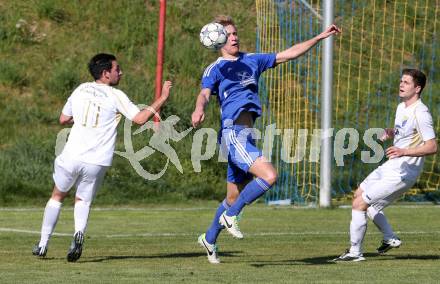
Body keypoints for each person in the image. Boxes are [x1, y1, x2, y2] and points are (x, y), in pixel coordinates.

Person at [192, 15, 341, 264]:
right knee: (269, 176)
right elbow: (204, 94)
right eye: (228, 34)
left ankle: (209, 238)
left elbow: (289, 54)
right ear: (217, 40)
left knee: (231, 197)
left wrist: (318, 37)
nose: (234, 37)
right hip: (232, 133)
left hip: (246, 135)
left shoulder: (252, 60)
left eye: (236, 32)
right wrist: (199, 109)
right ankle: (232, 216)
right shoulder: (215, 69)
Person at [32, 53, 172, 262]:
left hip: (72, 154)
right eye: (117, 69)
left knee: (57, 196)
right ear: (106, 74)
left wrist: (82, 120)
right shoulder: (115, 95)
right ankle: (78, 233)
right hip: (97, 160)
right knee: (83, 200)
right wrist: (162, 97)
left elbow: (63, 119)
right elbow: (140, 119)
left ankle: (43, 245)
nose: (121, 72)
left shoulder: (80, 89)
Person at [334, 68, 437, 262]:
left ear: (417, 88)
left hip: (403, 172)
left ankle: (355, 253)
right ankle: (390, 238)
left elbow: (432, 146)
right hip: (392, 165)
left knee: (360, 203)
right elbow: (406, 134)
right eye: (401, 81)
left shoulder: (421, 113)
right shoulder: (402, 107)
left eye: (406, 82)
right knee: (360, 196)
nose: (401, 85)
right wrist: (392, 133)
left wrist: (404, 151)